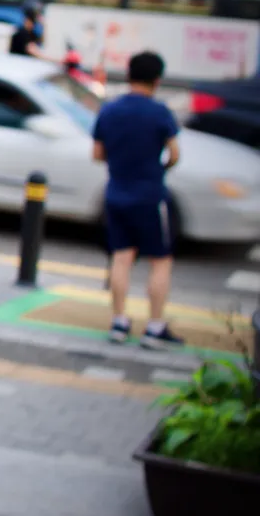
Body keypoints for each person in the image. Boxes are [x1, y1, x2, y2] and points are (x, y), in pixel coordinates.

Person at [92, 51, 184, 350]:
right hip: (150, 195)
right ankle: (154, 327)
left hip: (116, 193)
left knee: (121, 257)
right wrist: (160, 167)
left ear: (129, 73)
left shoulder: (109, 110)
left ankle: (119, 322)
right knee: (160, 261)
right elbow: (174, 153)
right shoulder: (159, 113)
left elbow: (97, 154)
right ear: (157, 80)